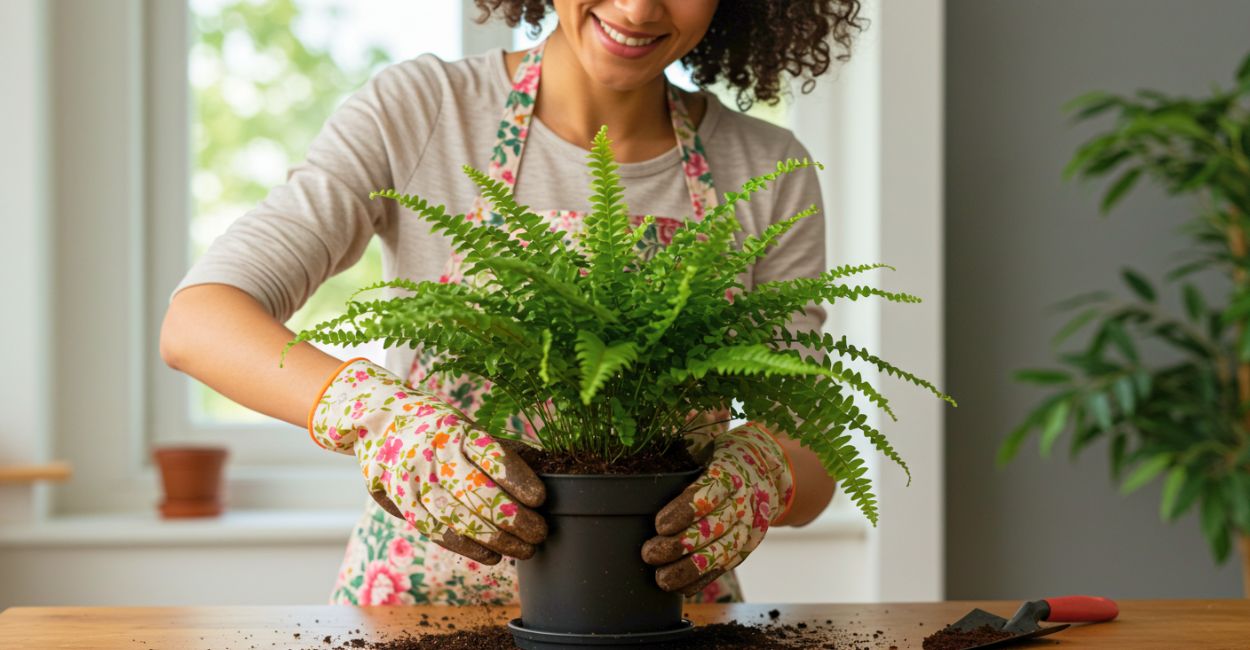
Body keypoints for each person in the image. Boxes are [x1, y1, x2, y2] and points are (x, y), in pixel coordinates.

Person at [161, 0, 863, 606]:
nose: (639, 9)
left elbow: (812, 453)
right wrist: (381, 419)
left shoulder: (767, 171)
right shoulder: (424, 111)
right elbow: (198, 321)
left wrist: (763, 473)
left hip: (657, 613)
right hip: (417, 612)